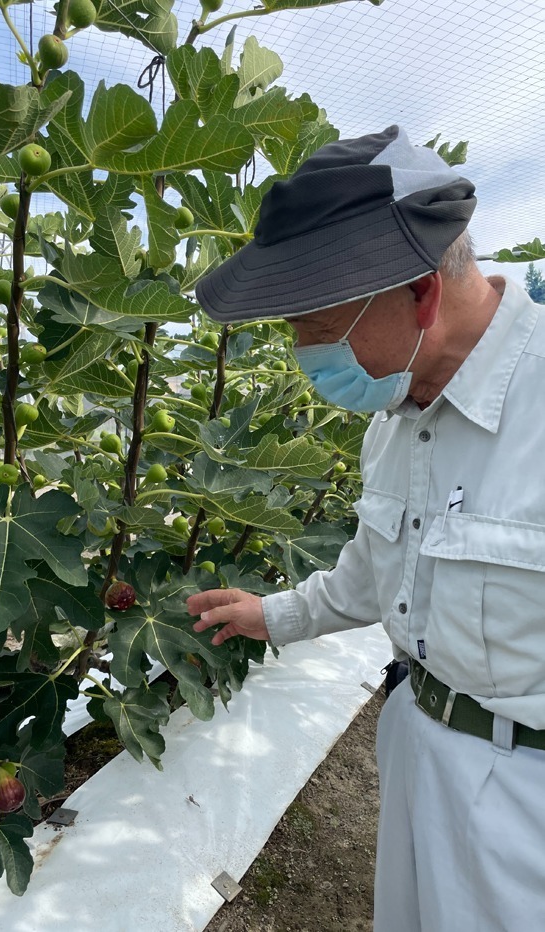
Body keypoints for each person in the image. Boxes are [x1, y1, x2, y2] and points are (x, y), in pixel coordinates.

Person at [186, 125, 545, 932]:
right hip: (418, 744)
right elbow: (372, 571)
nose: (302, 355)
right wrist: (270, 614)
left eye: (313, 326)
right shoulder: (394, 413)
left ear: (420, 290)